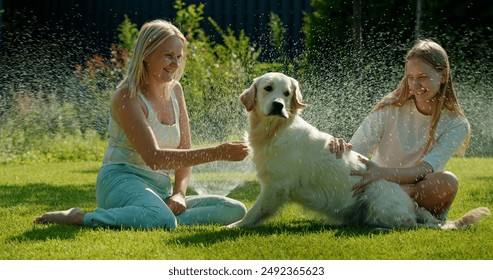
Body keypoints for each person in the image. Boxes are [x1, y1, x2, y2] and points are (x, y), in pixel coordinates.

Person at [34, 19, 249, 229]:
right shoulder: (126, 96)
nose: (175, 63)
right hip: (120, 181)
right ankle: (81, 218)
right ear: (146, 54)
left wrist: (179, 193)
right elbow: (154, 158)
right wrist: (219, 152)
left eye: (178, 56)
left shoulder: (176, 91)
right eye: (168, 55)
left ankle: (159, 217)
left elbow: (184, 149)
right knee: (162, 219)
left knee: (234, 209)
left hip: (159, 189)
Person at [330, 39, 470, 220]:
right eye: (410, 78)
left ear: (443, 76)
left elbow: (425, 170)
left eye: (422, 77)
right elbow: (356, 150)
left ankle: (397, 211)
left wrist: (381, 173)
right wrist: (340, 149)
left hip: (418, 194)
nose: (415, 85)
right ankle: (401, 213)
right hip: (379, 188)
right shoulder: (390, 108)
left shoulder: (456, 123)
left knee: (448, 182)